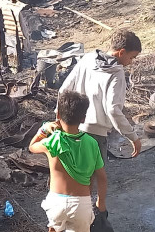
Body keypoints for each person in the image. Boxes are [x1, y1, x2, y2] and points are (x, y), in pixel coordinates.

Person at [29, 90, 106, 232]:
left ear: (58, 116)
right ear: (83, 118)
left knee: (54, 230)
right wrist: (101, 202)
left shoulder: (52, 141)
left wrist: (44, 129)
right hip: (81, 204)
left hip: (57, 201)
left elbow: (31, 146)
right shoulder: (92, 143)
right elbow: (102, 177)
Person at [58, 30, 143, 162]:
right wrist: (133, 137)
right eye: (131, 57)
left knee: (71, 173)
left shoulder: (87, 59)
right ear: (121, 52)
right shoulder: (116, 74)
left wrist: (59, 117)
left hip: (71, 127)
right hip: (95, 135)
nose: (131, 62)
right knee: (94, 177)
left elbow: (64, 90)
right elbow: (113, 109)